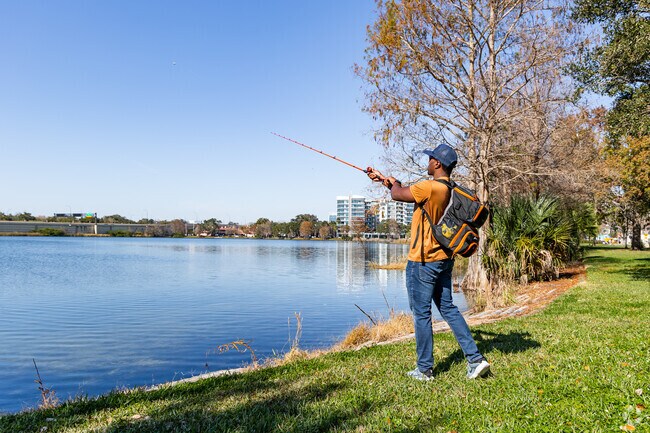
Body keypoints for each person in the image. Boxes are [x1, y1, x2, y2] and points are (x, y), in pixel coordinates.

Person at [366, 144, 490, 381]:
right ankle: (475, 360)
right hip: (444, 259)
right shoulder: (447, 188)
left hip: (422, 262)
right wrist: (387, 181)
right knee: (448, 309)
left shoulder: (428, 187)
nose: (429, 160)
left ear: (437, 164)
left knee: (421, 314)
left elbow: (398, 194)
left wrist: (393, 186)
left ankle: (424, 369)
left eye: (431, 158)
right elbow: (402, 190)